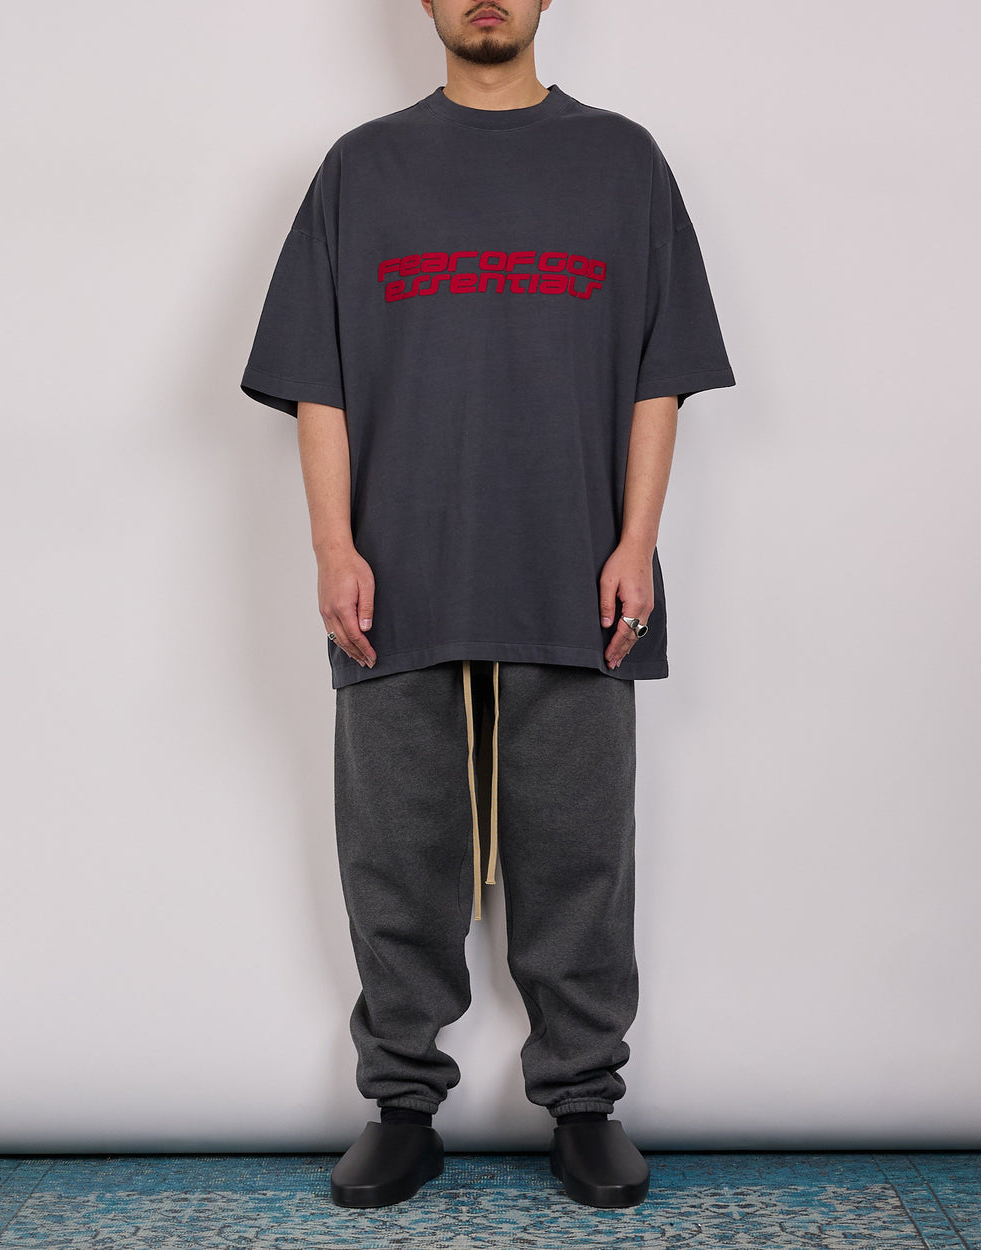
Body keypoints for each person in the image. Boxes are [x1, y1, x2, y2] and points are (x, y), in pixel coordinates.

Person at [239, 0, 735, 1211]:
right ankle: (402, 1105)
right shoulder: (362, 169)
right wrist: (332, 546)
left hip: (572, 563)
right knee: (394, 848)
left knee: (580, 847)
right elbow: (317, 377)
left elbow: (660, 372)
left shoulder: (620, 160)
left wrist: (637, 542)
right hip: (399, 566)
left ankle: (585, 1102)